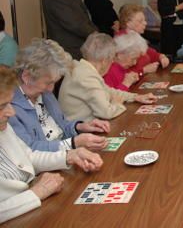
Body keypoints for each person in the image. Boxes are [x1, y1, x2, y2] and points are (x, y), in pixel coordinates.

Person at [0, 65, 103, 224]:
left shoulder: (4, 128)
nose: (11, 112)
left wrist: (69, 155)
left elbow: (28, 156)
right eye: (2, 106)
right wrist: (37, 193)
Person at [10, 39, 109, 152]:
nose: (51, 89)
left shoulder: (44, 93)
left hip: (67, 156)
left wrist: (80, 127)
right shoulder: (10, 108)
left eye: (54, 82)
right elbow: (30, 150)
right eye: (48, 83)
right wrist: (74, 143)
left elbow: (62, 126)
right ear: (27, 76)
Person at [59, 33, 157, 122]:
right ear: (104, 61)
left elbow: (109, 91)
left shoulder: (83, 68)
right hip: (81, 132)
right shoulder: (86, 77)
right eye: (111, 59)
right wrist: (118, 103)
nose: (113, 62)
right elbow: (106, 112)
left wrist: (136, 97)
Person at [117, 4, 169, 75]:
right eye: (140, 21)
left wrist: (161, 57)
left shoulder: (136, 36)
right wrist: (143, 70)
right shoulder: (121, 41)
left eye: (144, 20)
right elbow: (120, 73)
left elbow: (150, 53)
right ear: (128, 23)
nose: (145, 23)